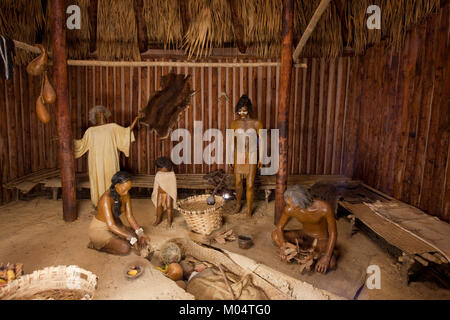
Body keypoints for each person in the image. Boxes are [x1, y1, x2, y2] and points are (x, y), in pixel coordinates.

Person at [74, 105, 141, 207]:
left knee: (111, 178)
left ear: (106, 115)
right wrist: (67, 141)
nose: (100, 115)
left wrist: (136, 120)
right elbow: (81, 144)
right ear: (94, 117)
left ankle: (113, 203)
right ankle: (99, 204)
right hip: (96, 161)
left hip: (110, 159)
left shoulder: (113, 127)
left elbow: (126, 132)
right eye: (98, 114)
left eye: (102, 113)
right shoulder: (90, 131)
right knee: (97, 179)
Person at [271, 185, 338, 274]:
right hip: (303, 235)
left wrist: (327, 257)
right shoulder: (290, 209)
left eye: (293, 205)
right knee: (275, 235)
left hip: (321, 240)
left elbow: (333, 233)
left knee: (331, 263)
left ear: (302, 202)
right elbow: (279, 228)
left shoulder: (324, 208)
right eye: (288, 204)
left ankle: (308, 255)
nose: (290, 207)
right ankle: (304, 255)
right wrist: (283, 246)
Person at [88, 171, 149, 255]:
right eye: (124, 189)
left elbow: (130, 216)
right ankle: (96, 245)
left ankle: (117, 239)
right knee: (125, 248)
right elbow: (111, 226)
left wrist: (140, 233)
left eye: (128, 189)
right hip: (100, 229)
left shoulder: (125, 194)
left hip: (116, 224)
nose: (126, 193)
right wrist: (130, 238)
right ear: (116, 186)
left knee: (136, 236)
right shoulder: (106, 199)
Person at [230, 94, 264, 217]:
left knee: (250, 184)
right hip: (238, 155)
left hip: (252, 155)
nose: (242, 113)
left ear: (248, 109)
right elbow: (231, 141)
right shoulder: (234, 124)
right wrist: (230, 157)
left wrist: (261, 158)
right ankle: (238, 205)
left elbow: (262, 141)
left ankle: (249, 210)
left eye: (244, 110)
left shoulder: (257, 123)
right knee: (238, 183)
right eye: (239, 111)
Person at [151, 157, 177, 227]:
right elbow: (156, 184)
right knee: (159, 206)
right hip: (160, 193)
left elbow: (173, 186)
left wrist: (172, 194)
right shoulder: (158, 174)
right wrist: (155, 192)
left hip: (168, 193)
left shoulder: (171, 175)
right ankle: (158, 219)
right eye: (158, 168)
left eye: (160, 168)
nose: (158, 169)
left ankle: (169, 221)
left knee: (169, 207)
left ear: (166, 167)